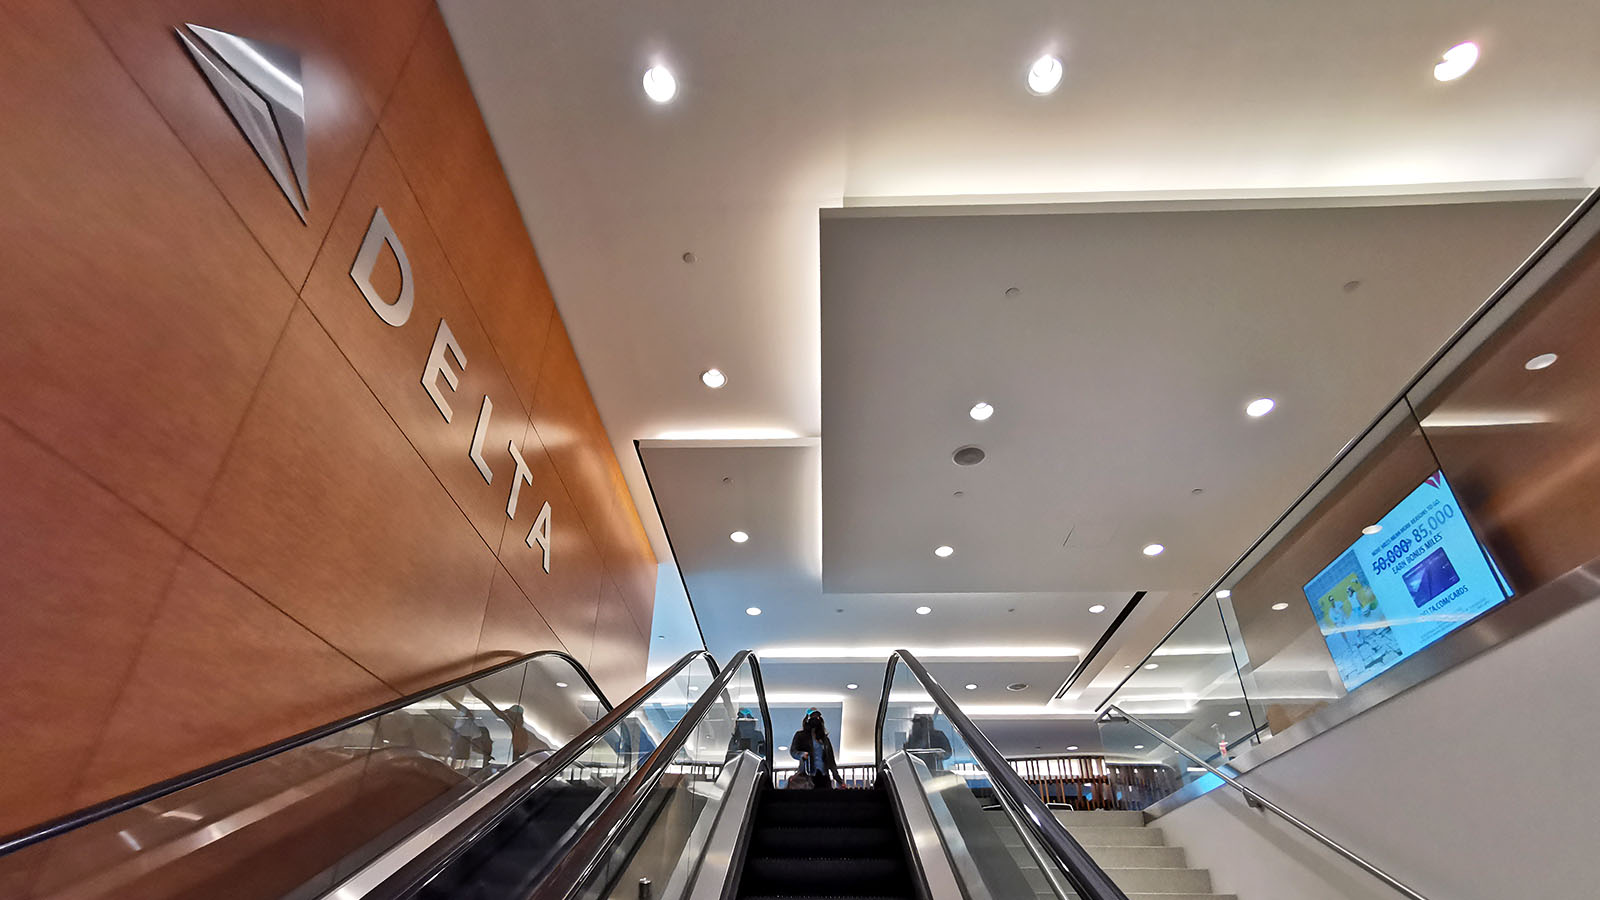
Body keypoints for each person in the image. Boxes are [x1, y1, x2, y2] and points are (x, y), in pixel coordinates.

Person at [789, 708, 844, 789]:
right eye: (812, 716)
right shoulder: (800, 735)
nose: (815, 719)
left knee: (825, 799)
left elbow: (831, 761)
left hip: (824, 775)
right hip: (808, 775)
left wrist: (838, 780)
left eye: (817, 717)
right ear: (807, 719)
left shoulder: (824, 739)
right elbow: (793, 751)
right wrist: (802, 754)